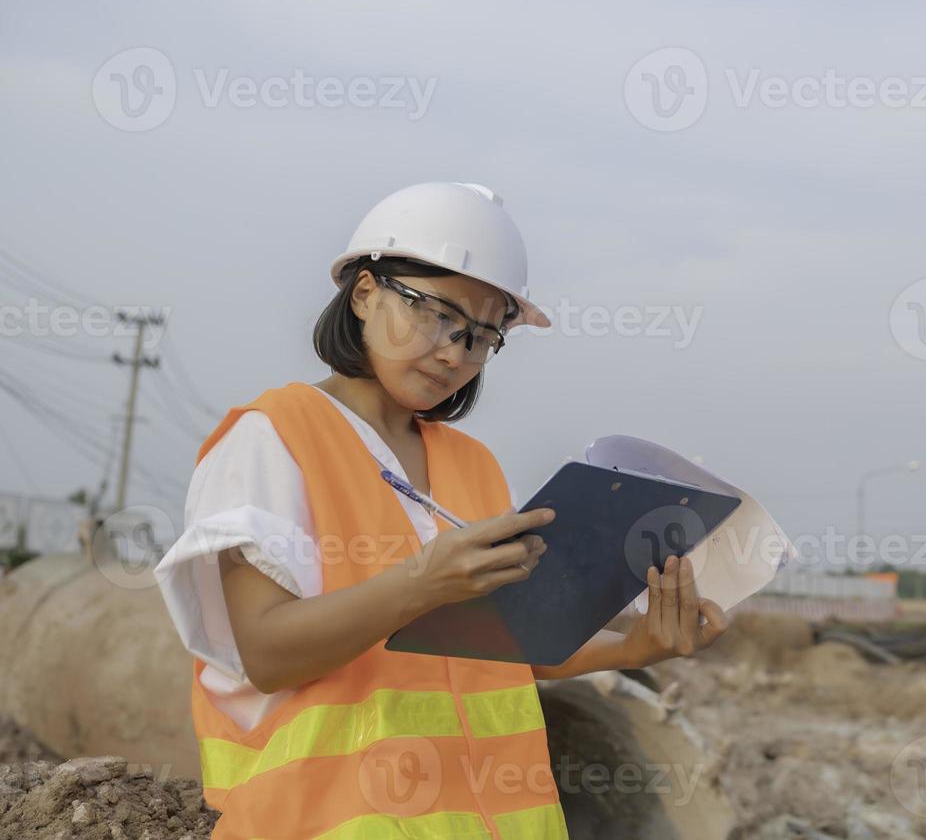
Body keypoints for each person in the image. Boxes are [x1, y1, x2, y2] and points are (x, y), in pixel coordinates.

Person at [154, 181, 729, 839]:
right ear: (365, 294)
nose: (455, 352)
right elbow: (266, 654)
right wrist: (421, 583)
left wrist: (637, 645)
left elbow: (499, 649)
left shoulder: (473, 466)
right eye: (435, 314)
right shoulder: (273, 437)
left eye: (482, 337)